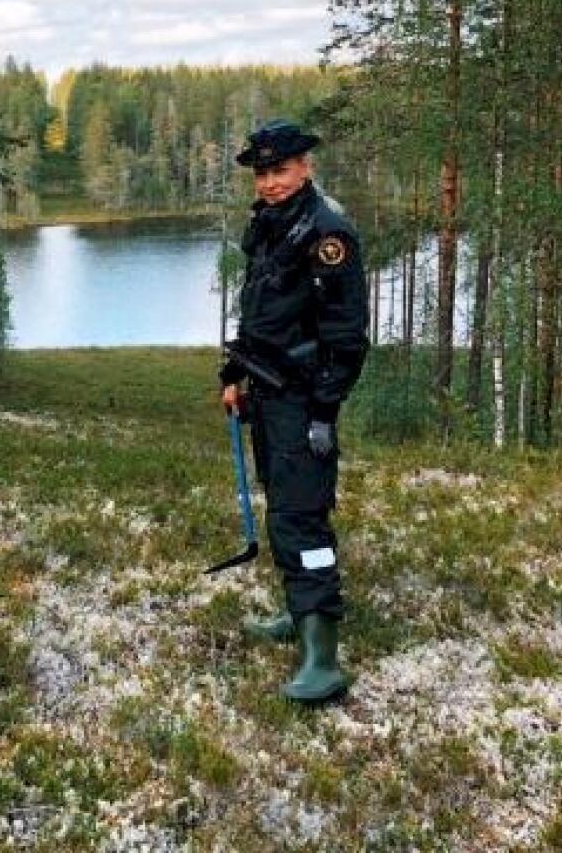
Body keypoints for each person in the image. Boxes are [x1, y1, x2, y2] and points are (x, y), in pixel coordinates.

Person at [218, 119, 370, 703]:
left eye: (280, 170)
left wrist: (322, 411)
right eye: (262, 173)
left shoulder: (327, 233)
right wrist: (235, 372)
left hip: (303, 398)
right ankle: (298, 613)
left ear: (305, 167)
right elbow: (261, 311)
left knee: (304, 517)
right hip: (268, 389)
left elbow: (346, 335)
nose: (270, 183)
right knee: (283, 505)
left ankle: (323, 657)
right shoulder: (273, 224)